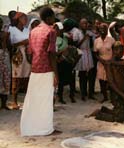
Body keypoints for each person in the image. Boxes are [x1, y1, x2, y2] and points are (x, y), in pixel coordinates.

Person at [20, 7, 61, 136]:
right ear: (49, 18)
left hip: (35, 69)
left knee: (34, 99)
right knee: (46, 101)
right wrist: (56, 74)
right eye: (53, 17)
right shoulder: (51, 31)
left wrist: (35, 66)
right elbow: (52, 55)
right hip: (47, 70)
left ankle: (30, 127)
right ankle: (46, 129)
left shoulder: (33, 31)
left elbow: (30, 53)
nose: (54, 20)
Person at [88, 41, 124, 122]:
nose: (122, 53)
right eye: (120, 50)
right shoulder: (109, 64)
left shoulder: (119, 61)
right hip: (117, 93)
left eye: (122, 50)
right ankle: (99, 113)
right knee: (119, 118)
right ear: (114, 51)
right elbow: (111, 83)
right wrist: (123, 95)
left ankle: (105, 110)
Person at [9, 12, 31, 110]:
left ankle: (27, 102)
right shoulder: (12, 30)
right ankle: (14, 102)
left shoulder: (27, 30)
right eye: (23, 18)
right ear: (18, 19)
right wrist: (22, 42)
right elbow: (10, 44)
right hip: (17, 55)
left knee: (26, 77)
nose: (25, 20)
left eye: (26, 18)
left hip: (27, 54)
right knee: (16, 77)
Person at [54, 22, 76, 104]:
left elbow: (71, 43)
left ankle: (71, 96)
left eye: (60, 29)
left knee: (71, 79)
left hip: (67, 60)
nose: (59, 31)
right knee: (61, 80)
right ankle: (60, 97)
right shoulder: (54, 39)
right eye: (57, 29)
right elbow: (55, 52)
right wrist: (64, 51)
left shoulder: (65, 37)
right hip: (60, 61)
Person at [94, 23, 115, 102]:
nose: (102, 30)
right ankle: (105, 96)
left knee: (110, 81)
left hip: (109, 63)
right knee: (101, 81)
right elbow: (95, 54)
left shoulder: (111, 40)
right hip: (101, 63)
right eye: (101, 29)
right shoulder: (96, 41)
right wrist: (101, 60)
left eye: (104, 29)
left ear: (107, 30)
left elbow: (115, 51)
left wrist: (111, 60)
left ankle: (112, 98)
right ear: (99, 30)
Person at [75, 18, 96, 101]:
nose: (85, 25)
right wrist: (84, 38)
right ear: (80, 24)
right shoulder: (77, 33)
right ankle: (83, 94)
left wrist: (90, 38)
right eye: (83, 23)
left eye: (86, 23)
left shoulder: (90, 33)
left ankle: (90, 93)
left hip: (88, 54)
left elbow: (92, 44)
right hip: (81, 54)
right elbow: (76, 45)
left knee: (90, 74)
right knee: (82, 75)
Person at [0, 17, 11, 110]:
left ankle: (4, 103)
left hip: (5, 56)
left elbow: (8, 46)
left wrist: (5, 39)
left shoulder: (5, 34)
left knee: (6, 79)